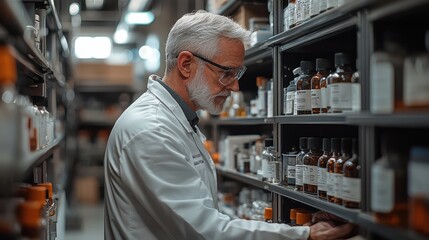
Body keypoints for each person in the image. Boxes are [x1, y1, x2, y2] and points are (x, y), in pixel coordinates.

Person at [104, 10, 354, 240]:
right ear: (186, 64)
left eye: (237, 74)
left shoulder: (177, 119)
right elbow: (206, 230)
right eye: (227, 73)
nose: (235, 86)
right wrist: (303, 235)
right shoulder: (151, 130)